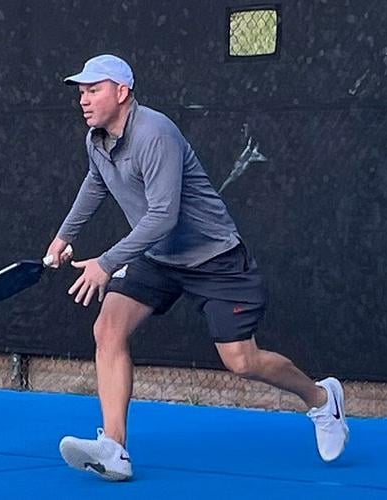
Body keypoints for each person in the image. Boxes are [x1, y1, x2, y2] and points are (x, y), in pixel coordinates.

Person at [44, 54, 348, 481]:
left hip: (214, 259)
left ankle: (320, 398)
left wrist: (108, 263)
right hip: (158, 256)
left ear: (122, 92)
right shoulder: (97, 138)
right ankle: (114, 447)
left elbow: (164, 215)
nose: (84, 100)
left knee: (242, 361)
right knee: (107, 329)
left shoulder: (156, 134)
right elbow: (95, 183)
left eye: (94, 90)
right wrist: (63, 236)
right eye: (81, 92)